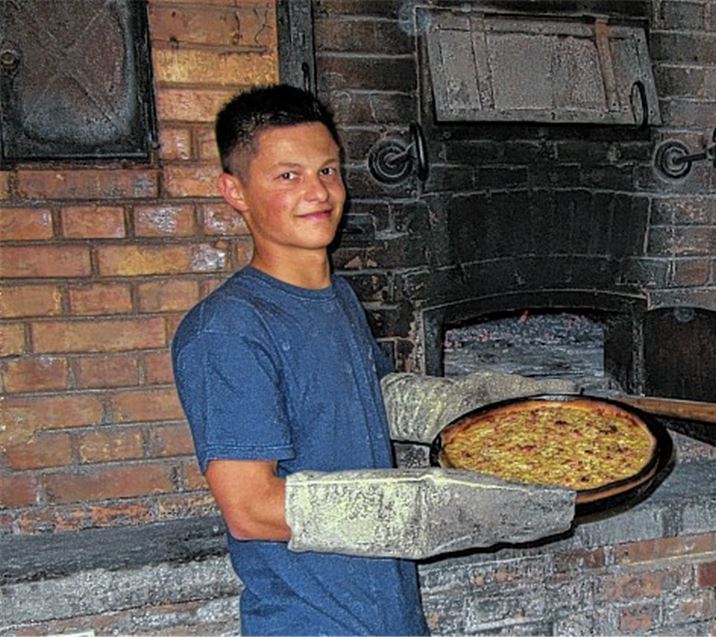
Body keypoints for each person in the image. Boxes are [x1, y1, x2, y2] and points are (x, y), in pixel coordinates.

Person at [172, 84, 574, 635]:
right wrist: (430, 513)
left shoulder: (336, 297)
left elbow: (363, 399)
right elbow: (250, 508)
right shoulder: (226, 330)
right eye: (287, 176)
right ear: (234, 191)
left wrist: (473, 406)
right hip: (313, 621)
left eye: (328, 171)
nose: (317, 192)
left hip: (391, 611)